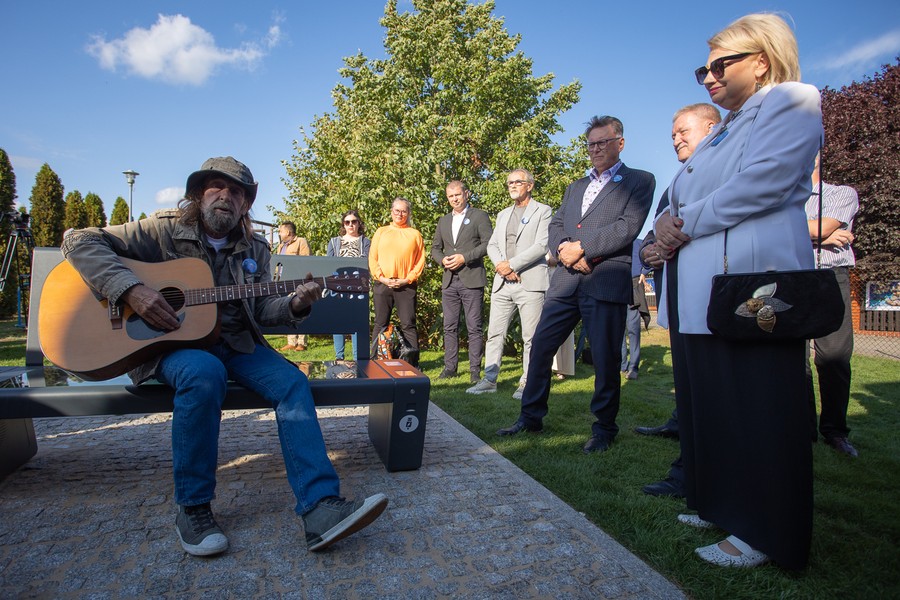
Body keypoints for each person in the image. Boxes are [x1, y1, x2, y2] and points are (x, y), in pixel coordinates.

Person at [61, 157, 388, 557]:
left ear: (246, 204)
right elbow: (78, 240)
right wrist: (131, 290)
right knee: (204, 373)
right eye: (217, 186)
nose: (226, 196)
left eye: (236, 192)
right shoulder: (162, 230)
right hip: (172, 347)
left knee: (291, 383)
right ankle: (194, 508)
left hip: (237, 344)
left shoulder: (255, 247)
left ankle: (321, 508)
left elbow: (263, 310)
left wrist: (296, 304)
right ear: (199, 194)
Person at [654, 14, 823, 569]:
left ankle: (765, 530)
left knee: (757, 409)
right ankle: (721, 502)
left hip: (755, 287)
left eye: (721, 64)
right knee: (716, 404)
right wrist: (663, 227)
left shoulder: (791, 101)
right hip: (705, 288)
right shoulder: (726, 125)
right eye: (704, 66)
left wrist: (685, 223)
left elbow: (768, 179)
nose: (708, 76)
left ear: (763, 61)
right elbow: (679, 196)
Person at [497, 115, 655, 456]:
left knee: (605, 358)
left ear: (620, 143)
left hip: (605, 279)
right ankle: (530, 417)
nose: (595, 149)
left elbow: (628, 227)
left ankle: (603, 428)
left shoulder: (640, 181)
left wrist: (584, 249)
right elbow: (556, 225)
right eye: (590, 144)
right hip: (566, 282)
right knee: (540, 347)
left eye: (602, 142)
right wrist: (565, 251)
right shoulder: (575, 187)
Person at [636, 103, 722, 499]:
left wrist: (670, 235)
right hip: (679, 286)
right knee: (689, 388)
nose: (676, 139)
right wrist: (652, 249)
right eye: (672, 135)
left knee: (712, 392)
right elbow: (658, 227)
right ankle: (690, 470)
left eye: (683, 131)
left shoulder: (722, 161)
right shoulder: (680, 177)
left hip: (713, 293)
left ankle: (697, 475)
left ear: (712, 126)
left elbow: (700, 217)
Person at [467, 169, 552, 398]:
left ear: (530, 185)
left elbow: (542, 245)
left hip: (530, 282)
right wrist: (502, 267)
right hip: (503, 283)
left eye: (517, 182)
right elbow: (492, 245)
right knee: (494, 333)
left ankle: (527, 382)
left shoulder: (543, 211)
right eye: (509, 183)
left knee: (531, 337)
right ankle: (489, 380)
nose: (513, 186)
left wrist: (512, 265)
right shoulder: (504, 214)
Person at [805, 153, 859, 457]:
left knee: (834, 357)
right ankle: (802, 427)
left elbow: (825, 226)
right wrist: (819, 234)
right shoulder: (784, 196)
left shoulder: (841, 194)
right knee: (794, 358)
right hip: (794, 275)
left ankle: (835, 431)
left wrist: (816, 231)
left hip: (829, 276)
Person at [432, 181, 493, 382]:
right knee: (449, 326)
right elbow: (435, 248)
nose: (454, 199)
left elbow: (488, 244)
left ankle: (475, 371)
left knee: (473, 326)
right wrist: (442, 260)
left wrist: (464, 258)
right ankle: (450, 368)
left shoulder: (479, 216)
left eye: (457, 195)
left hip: (471, 278)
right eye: (450, 196)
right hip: (449, 280)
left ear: (466, 193)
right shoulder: (443, 221)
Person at [368, 197, 426, 367]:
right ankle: (374, 361)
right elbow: (373, 258)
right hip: (383, 284)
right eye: (397, 210)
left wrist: (407, 279)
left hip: (406, 286)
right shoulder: (381, 232)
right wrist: (382, 278)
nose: (400, 214)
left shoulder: (415, 234)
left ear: (408, 213)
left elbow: (420, 261)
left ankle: (412, 363)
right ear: (391, 211)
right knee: (380, 323)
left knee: (408, 324)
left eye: (404, 211)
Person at [326, 209, 371, 360]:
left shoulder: (366, 242)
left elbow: (367, 264)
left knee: (356, 322)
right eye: (347, 222)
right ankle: (339, 358)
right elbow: (329, 266)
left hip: (358, 287)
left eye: (354, 222)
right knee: (338, 321)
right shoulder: (334, 242)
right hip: (338, 287)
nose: (351, 225)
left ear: (359, 223)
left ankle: (359, 359)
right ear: (343, 225)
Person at [275, 221, 311, 351]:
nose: (279, 233)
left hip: (297, 281)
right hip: (283, 282)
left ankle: (301, 343)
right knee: (288, 309)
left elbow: (307, 261)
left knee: (300, 309)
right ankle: (291, 342)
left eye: (280, 231)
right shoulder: (281, 246)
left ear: (288, 232)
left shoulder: (301, 241)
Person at [620, 237, 650, 380]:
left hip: (633, 286)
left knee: (633, 329)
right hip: (618, 286)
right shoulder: (617, 242)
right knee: (619, 330)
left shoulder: (638, 243)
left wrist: (644, 272)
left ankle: (633, 368)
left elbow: (649, 259)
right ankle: (622, 365)